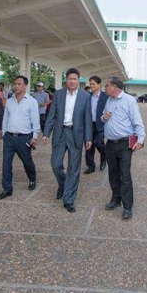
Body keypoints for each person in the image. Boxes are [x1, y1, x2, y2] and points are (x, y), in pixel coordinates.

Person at [43, 68, 92, 213]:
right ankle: (63, 184)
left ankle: (69, 199)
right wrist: (46, 133)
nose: (72, 81)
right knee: (55, 164)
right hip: (60, 133)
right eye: (70, 79)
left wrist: (88, 138)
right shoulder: (59, 94)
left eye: (74, 79)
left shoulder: (85, 96)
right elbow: (52, 114)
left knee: (74, 168)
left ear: (79, 80)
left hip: (76, 134)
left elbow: (87, 118)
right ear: (66, 80)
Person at [102, 77, 146, 220]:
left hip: (124, 144)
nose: (105, 88)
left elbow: (137, 121)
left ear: (114, 87)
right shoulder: (109, 100)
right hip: (110, 143)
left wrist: (140, 140)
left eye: (107, 86)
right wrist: (104, 117)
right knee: (113, 173)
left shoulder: (129, 100)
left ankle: (127, 207)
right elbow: (103, 118)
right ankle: (116, 199)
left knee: (124, 174)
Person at [0, 75, 40, 199]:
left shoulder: (32, 101)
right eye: (15, 84)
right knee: (6, 164)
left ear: (25, 86)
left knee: (27, 161)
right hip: (9, 137)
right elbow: (5, 118)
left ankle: (32, 179)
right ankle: (7, 189)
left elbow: (35, 120)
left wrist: (35, 136)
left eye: (19, 84)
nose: (16, 86)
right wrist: (4, 132)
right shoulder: (10, 101)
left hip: (24, 138)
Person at [84, 75, 108, 173]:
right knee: (88, 146)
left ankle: (104, 156)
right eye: (90, 84)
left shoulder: (105, 96)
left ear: (99, 84)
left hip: (101, 124)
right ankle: (91, 166)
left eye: (93, 84)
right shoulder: (87, 96)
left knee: (99, 143)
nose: (91, 86)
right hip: (89, 125)